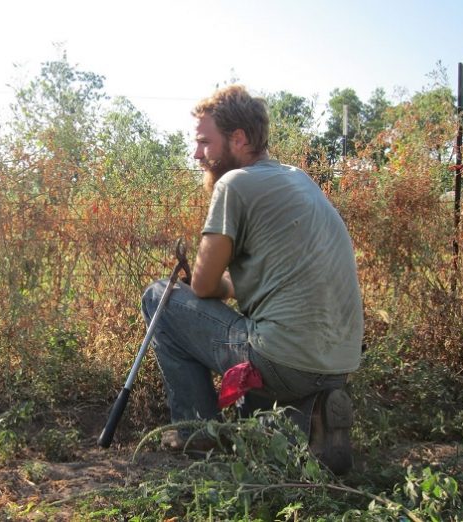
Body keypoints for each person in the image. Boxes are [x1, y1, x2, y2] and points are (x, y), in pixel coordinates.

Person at [141, 85, 364, 474]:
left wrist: (214, 285)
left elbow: (204, 287)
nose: (197, 154)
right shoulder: (298, 178)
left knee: (160, 296)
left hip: (281, 358)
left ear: (238, 138)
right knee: (272, 394)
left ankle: (197, 432)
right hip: (339, 362)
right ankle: (308, 420)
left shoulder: (234, 184)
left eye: (204, 142)